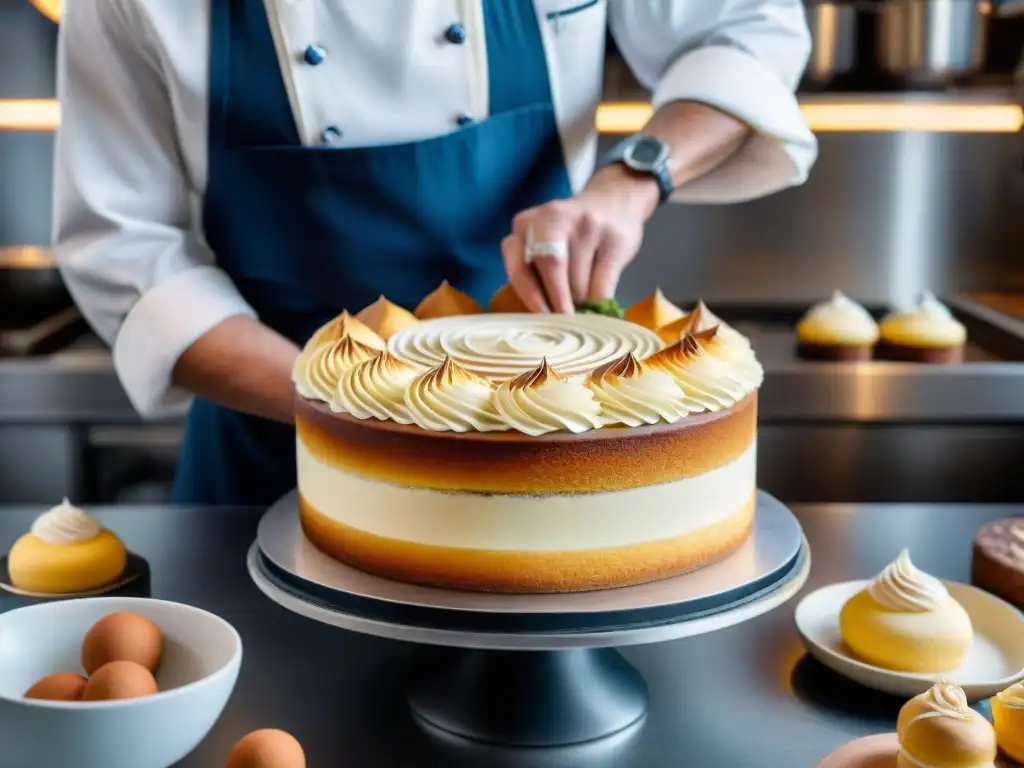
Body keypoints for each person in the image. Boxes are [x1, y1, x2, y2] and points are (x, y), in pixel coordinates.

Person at [54, 1, 817, 506]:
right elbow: (124, 248)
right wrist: (351, 409)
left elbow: (744, 31)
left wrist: (634, 176)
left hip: (549, 447)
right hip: (275, 452)